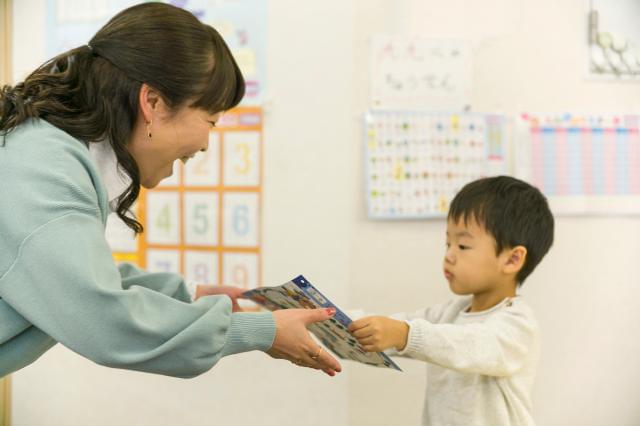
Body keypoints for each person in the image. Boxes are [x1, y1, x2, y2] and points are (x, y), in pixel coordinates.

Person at [0, 3, 341, 379]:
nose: (206, 144)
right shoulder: (44, 170)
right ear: (152, 102)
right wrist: (261, 331)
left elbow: (77, 277)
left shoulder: (50, 155)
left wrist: (190, 294)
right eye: (210, 120)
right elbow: (105, 320)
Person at [349, 176, 554, 425]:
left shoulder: (518, 325)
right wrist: (331, 318)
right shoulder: (449, 313)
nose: (449, 255)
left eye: (463, 246)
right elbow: (388, 329)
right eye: (448, 243)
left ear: (512, 260)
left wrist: (405, 335)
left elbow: (470, 345)